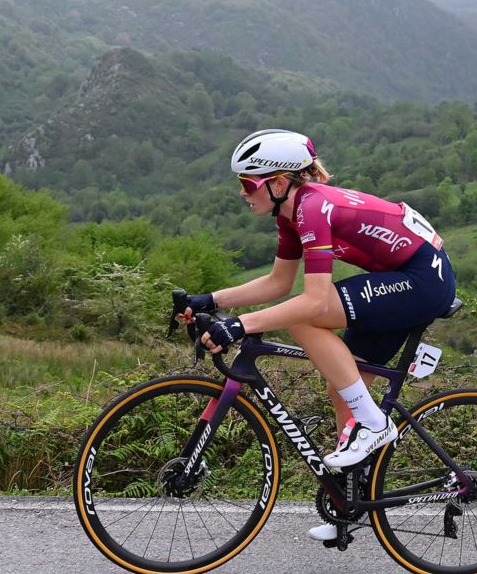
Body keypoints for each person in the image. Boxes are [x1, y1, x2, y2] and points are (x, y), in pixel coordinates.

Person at [179, 129, 456, 541]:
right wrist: (209, 299)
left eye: (247, 183)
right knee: (342, 387)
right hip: (400, 278)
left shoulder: (312, 207)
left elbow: (311, 302)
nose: (241, 193)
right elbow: (277, 283)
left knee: (306, 319)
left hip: (421, 281)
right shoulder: (291, 213)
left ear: (277, 182)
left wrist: (239, 325)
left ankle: (374, 424)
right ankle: (352, 502)